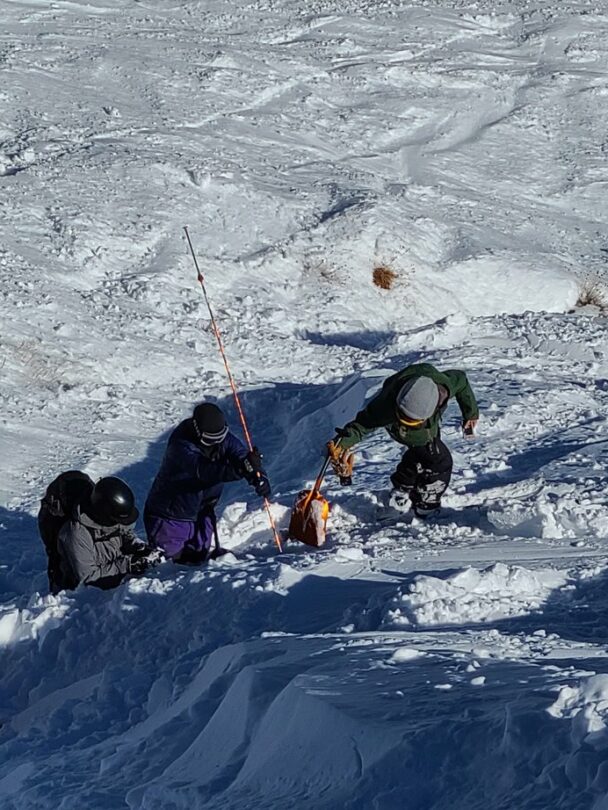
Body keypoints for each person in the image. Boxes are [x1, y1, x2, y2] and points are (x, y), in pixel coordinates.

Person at [328, 363, 479, 518]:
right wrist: (342, 443)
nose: (408, 422)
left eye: (412, 421)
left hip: (428, 428)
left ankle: (401, 491)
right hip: (399, 428)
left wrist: (471, 413)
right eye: (404, 418)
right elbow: (361, 425)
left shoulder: (444, 389)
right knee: (440, 461)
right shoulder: (385, 406)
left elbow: (461, 380)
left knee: (421, 455)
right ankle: (426, 506)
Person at [144, 402, 271, 564]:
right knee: (171, 569)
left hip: (203, 513)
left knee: (199, 564)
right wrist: (239, 470)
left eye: (221, 437)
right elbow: (203, 471)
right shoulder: (181, 445)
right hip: (171, 518)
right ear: (198, 432)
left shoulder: (223, 439)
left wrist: (257, 475)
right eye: (211, 439)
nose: (217, 442)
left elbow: (240, 455)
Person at [40, 474, 162, 592]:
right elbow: (88, 579)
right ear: (104, 516)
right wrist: (128, 565)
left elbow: (124, 534)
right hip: (80, 595)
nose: (121, 523)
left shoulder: (111, 517)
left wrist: (137, 548)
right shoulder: (75, 534)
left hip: (110, 566)